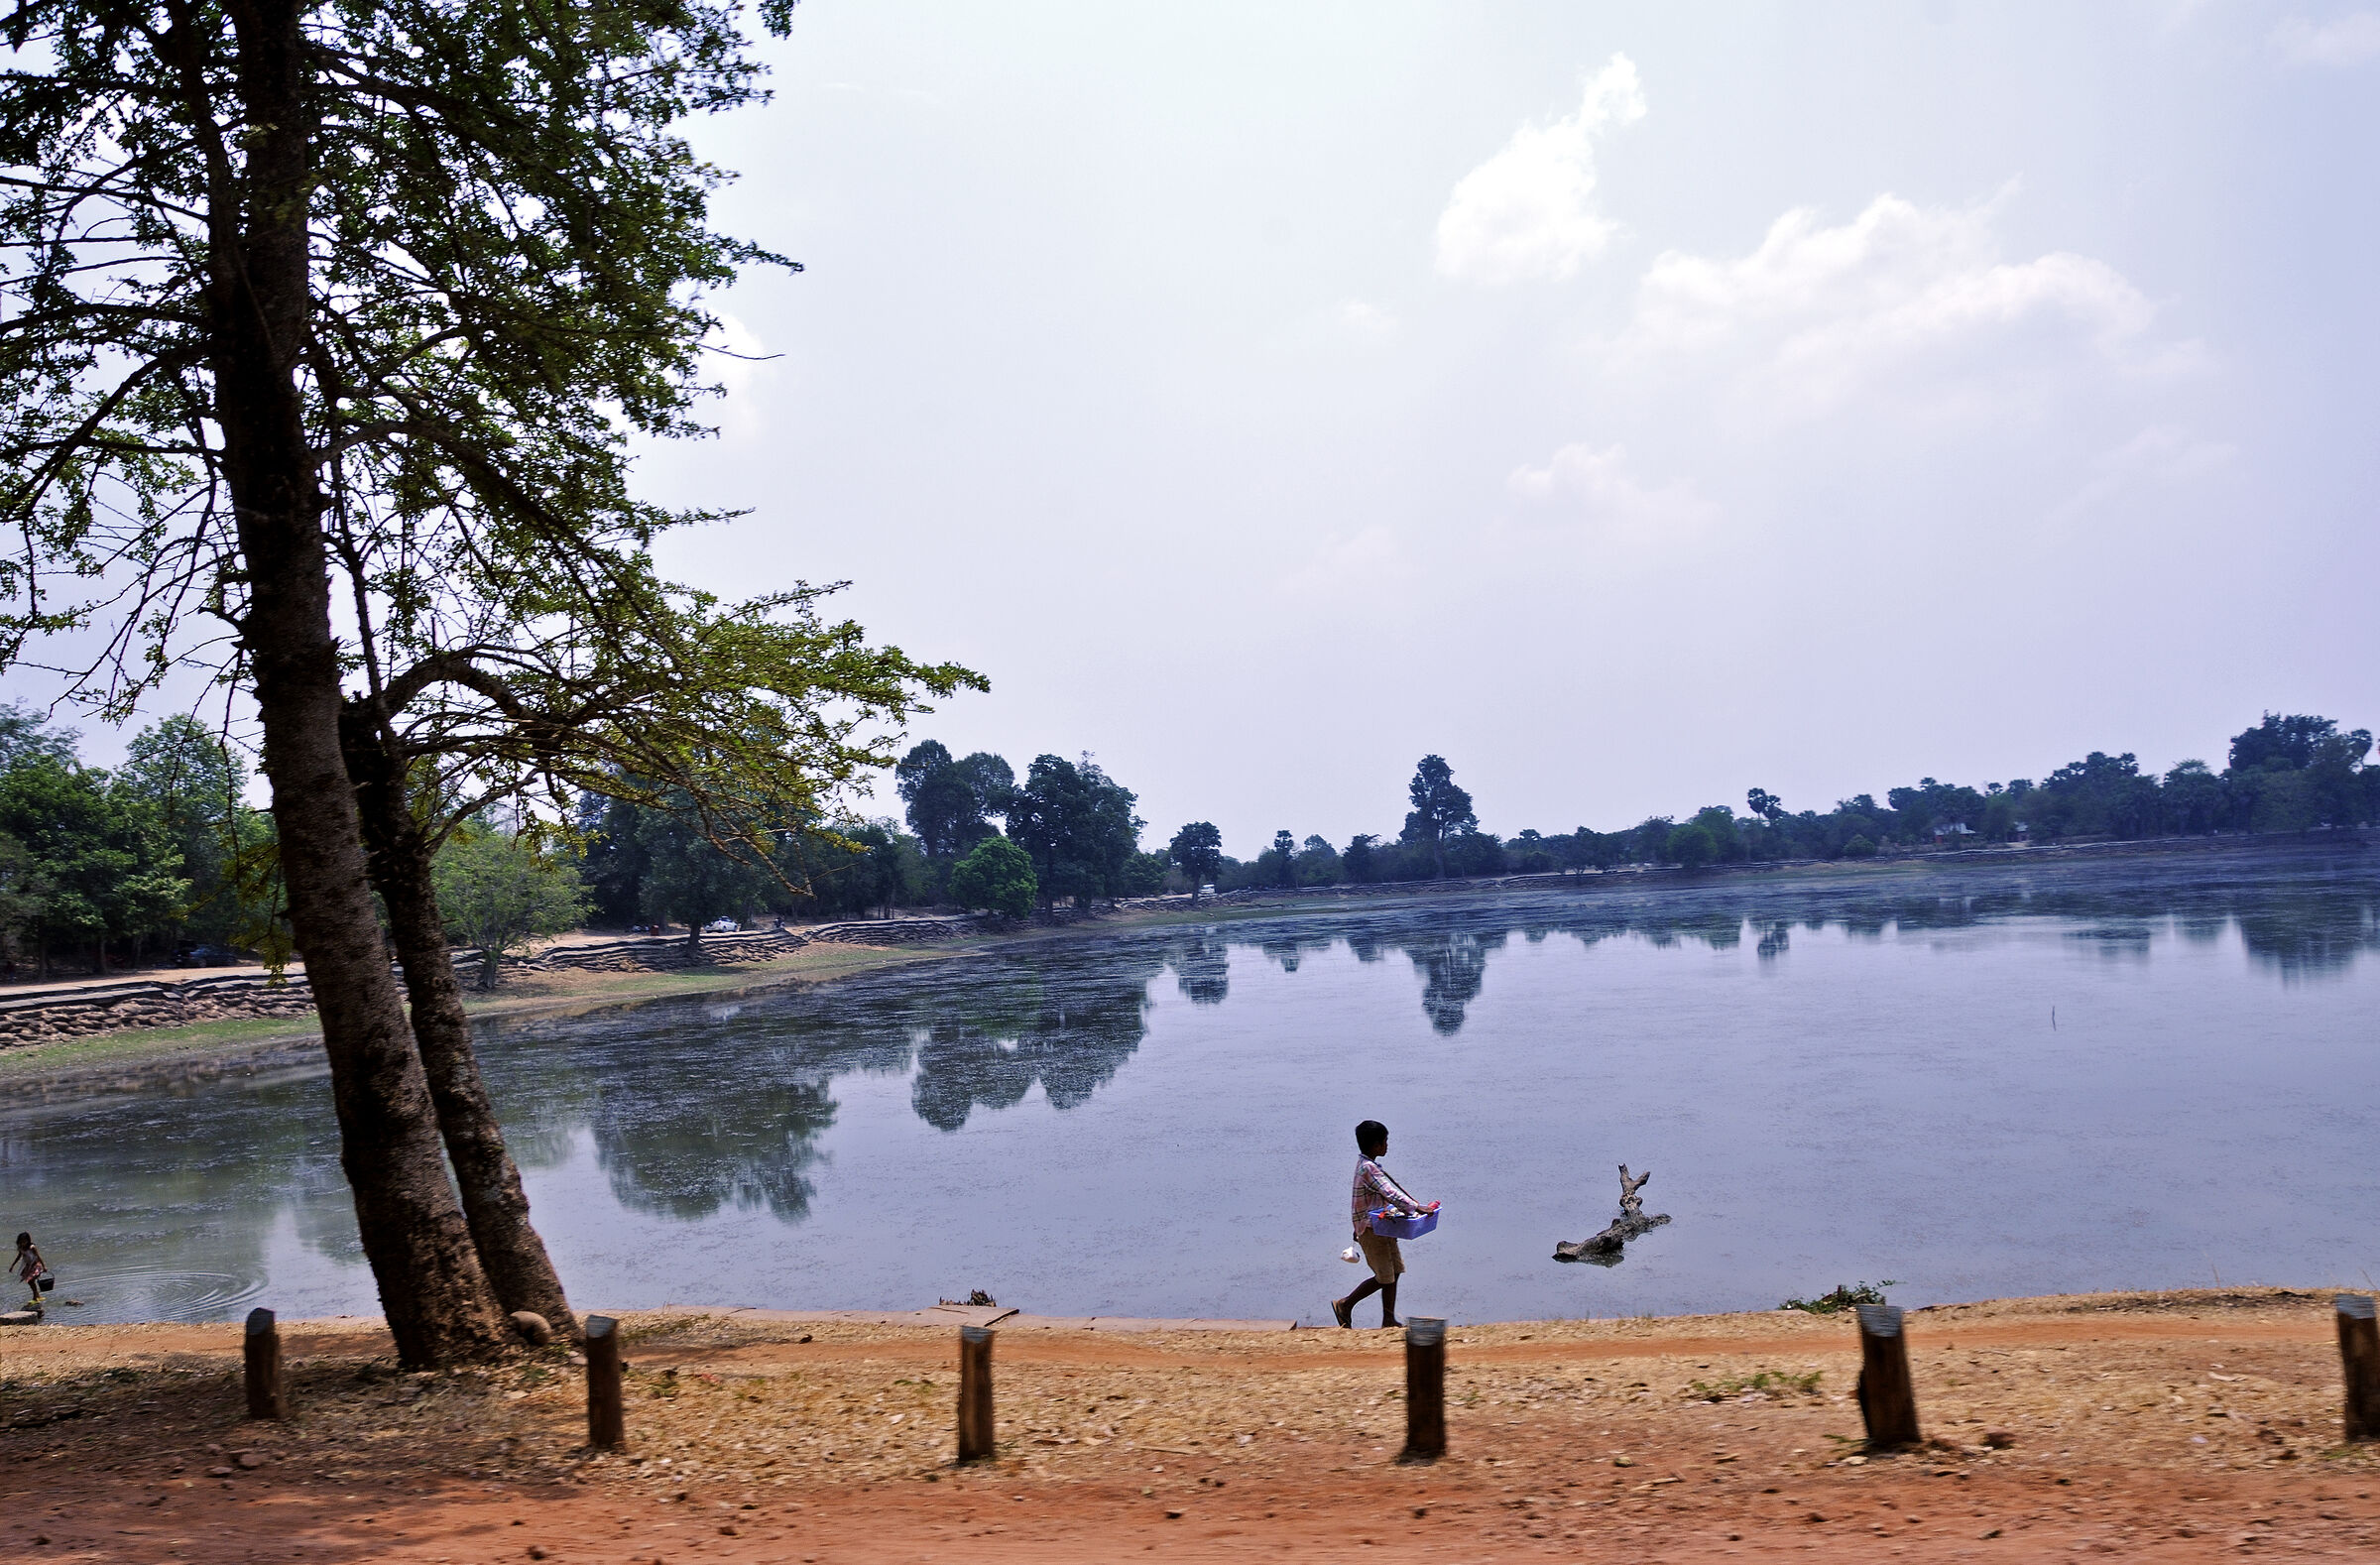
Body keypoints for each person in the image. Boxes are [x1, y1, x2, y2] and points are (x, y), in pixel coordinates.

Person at [1333, 1120, 1437, 1329]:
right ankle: (1345, 1304)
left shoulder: (1369, 1165)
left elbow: (1370, 1199)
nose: (1387, 1145)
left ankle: (1388, 1319)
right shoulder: (1368, 1169)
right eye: (1385, 1141)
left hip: (1382, 1226)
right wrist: (1418, 1208)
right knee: (1384, 1276)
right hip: (1371, 1230)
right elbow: (1389, 1192)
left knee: (1395, 1271)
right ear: (1375, 1145)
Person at [12, 1233, 47, 1308]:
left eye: (24, 1241)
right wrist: (12, 1265)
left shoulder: (32, 1247)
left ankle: (35, 1298)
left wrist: (44, 1267)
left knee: (30, 1280)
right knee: (30, 1282)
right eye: (21, 1242)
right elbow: (18, 1257)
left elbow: (38, 1257)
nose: (23, 1243)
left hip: (35, 1265)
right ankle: (37, 1295)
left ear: (28, 1240)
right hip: (28, 1267)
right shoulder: (21, 1248)